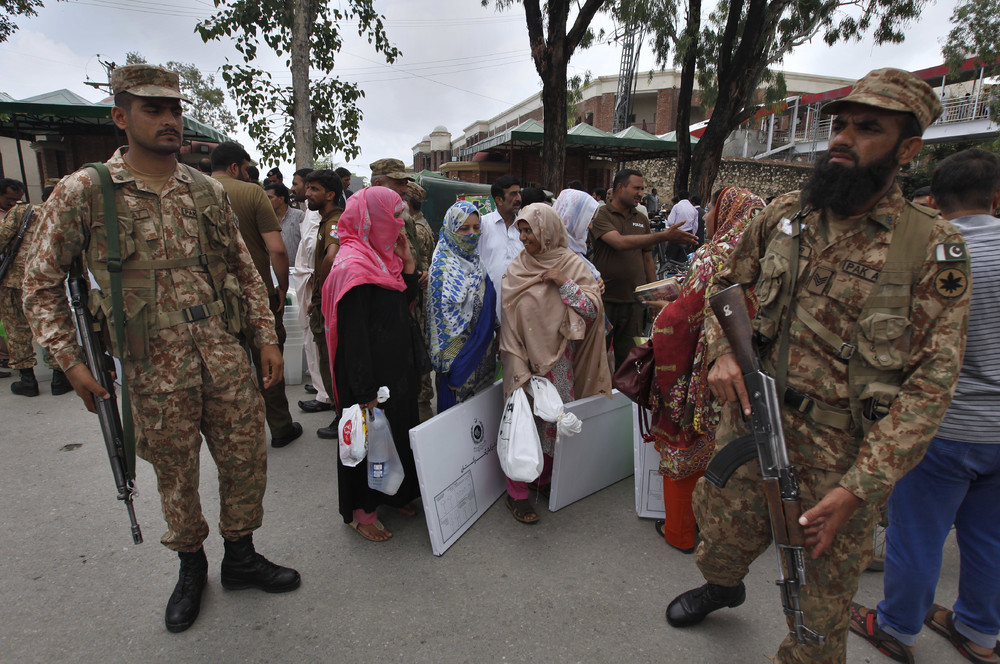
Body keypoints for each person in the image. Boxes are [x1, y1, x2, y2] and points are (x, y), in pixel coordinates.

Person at [665, 68, 971, 664]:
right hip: (753, 427)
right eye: (842, 124)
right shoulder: (784, 214)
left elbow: (931, 389)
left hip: (842, 458)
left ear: (907, 149)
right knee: (719, 537)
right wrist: (724, 351)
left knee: (816, 615)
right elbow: (724, 283)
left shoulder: (931, 248)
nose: (843, 138)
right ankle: (722, 586)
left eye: (868, 128)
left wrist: (859, 492)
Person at [21, 63, 300, 634]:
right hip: (151, 361)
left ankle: (241, 556)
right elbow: (40, 282)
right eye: (153, 109)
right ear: (121, 117)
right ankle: (191, 565)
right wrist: (69, 361)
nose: (169, 119)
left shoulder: (206, 190)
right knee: (175, 472)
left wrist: (266, 337)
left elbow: (245, 271)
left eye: (174, 108)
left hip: (222, 351)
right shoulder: (86, 190)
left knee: (246, 456)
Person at [849, 148, 1000, 664]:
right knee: (988, 537)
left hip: (942, 423)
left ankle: (896, 627)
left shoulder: (928, 255)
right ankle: (979, 633)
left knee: (919, 534)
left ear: (934, 200)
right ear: (996, 198)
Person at [646, 186, 765, 554]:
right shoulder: (770, 255)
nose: (708, 212)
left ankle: (680, 532)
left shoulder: (715, 255)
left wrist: (663, 315)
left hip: (703, 370)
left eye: (714, 206)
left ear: (727, 212)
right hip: (752, 369)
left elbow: (685, 318)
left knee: (684, 440)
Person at [499, 203, 612, 524]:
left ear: (547, 231)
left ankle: (543, 481)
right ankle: (517, 492)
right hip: (521, 358)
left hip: (560, 363)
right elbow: (507, 318)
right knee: (522, 422)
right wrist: (516, 362)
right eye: (520, 230)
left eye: (528, 230)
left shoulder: (571, 265)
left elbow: (592, 312)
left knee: (552, 423)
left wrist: (564, 283)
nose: (523, 237)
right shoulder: (517, 268)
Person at [322, 186, 423, 541]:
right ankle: (363, 512)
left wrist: (408, 267)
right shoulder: (352, 267)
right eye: (394, 216)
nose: (400, 225)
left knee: (395, 435)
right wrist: (365, 391)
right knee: (368, 441)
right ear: (373, 219)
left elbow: (399, 307)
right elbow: (353, 340)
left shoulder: (385, 260)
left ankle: (392, 494)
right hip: (367, 375)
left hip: (396, 371)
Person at [211, 142, 302, 448]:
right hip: (256, 292)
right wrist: (280, 285)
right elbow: (276, 248)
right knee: (268, 356)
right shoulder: (252, 193)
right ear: (236, 167)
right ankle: (280, 427)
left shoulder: (193, 192)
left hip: (213, 298)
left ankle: (239, 435)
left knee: (226, 366)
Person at [589, 169, 698, 369]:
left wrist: (657, 297)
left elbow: (648, 258)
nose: (641, 193)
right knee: (597, 361)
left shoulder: (641, 218)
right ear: (620, 188)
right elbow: (619, 242)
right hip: (605, 301)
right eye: (636, 188)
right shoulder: (601, 214)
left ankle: (625, 399)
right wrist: (664, 236)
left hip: (635, 303)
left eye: (642, 189)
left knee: (630, 361)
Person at [426, 201, 496, 413]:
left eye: (476, 228)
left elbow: (489, 304)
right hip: (458, 366)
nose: (472, 234)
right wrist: (456, 371)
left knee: (483, 427)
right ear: (450, 230)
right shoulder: (441, 270)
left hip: (484, 358)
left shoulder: (477, 262)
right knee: (460, 427)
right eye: (464, 229)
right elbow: (441, 328)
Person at [301, 169, 344, 435]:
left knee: (331, 363)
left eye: (313, 189)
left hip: (327, 305)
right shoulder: (327, 219)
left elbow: (332, 255)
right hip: (324, 303)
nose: (307, 194)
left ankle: (341, 418)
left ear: (329, 194)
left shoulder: (333, 222)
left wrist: (320, 291)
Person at [407, 181, 436, 421]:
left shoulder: (416, 229)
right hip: (421, 294)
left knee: (419, 343)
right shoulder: (423, 224)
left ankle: (422, 396)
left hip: (417, 297)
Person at [479, 175, 523, 319]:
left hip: (520, 304)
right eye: (513, 194)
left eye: (519, 193)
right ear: (498, 200)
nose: (519, 199)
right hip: (490, 303)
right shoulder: (482, 225)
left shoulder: (525, 228)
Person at [264, 181, 303, 268]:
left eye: (269, 197)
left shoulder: (299, 216)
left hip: (295, 270)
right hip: (272, 270)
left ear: (281, 199)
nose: (266, 201)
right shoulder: (264, 219)